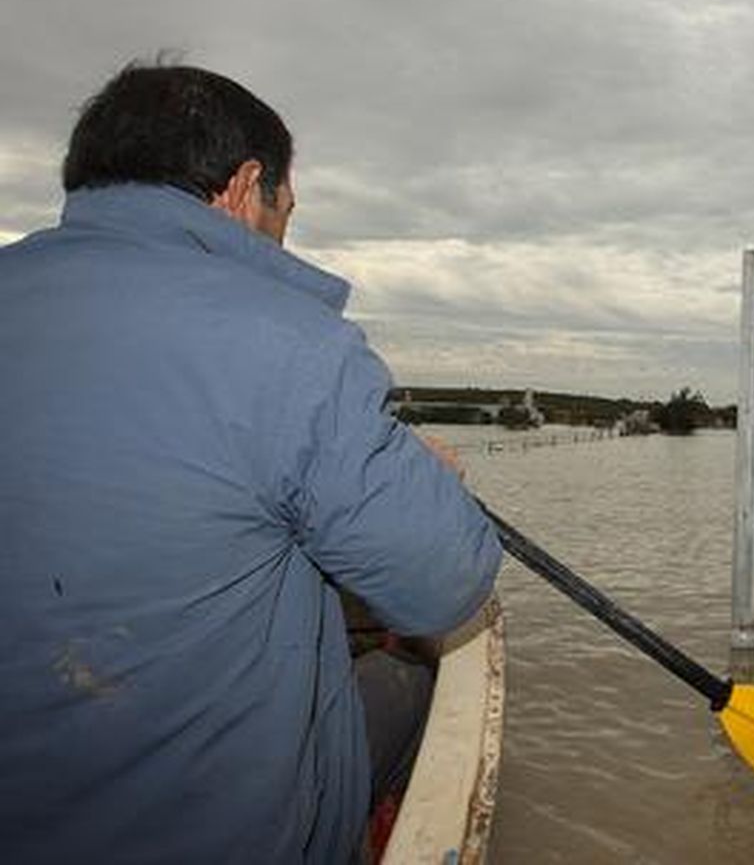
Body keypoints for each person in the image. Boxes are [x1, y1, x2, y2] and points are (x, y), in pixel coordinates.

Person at [0, 62, 504, 863]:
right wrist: (424, 477)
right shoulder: (293, 346)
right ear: (245, 187)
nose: (284, 229)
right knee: (409, 680)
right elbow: (446, 582)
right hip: (213, 834)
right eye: (286, 209)